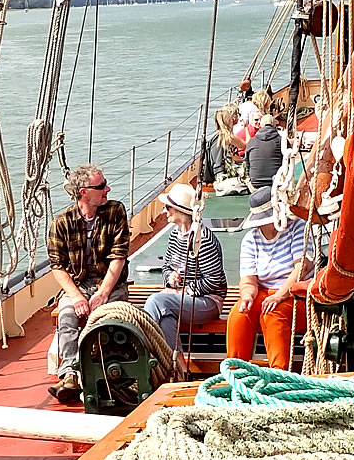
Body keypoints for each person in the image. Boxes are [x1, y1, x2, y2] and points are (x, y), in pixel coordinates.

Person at [46, 164, 130, 403]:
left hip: (111, 285)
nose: (107, 189)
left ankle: (105, 374)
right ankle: (70, 374)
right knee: (67, 318)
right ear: (83, 192)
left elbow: (118, 256)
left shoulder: (115, 211)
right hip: (78, 285)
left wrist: (103, 292)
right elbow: (58, 266)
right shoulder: (62, 223)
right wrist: (76, 297)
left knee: (105, 319)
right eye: (101, 186)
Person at [227, 188, 310, 370]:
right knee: (238, 315)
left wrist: (279, 296)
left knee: (273, 314)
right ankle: (236, 371)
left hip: (295, 294)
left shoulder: (298, 227)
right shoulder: (250, 239)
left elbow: (301, 268)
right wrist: (247, 296)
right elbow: (249, 280)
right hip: (264, 293)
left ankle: (279, 374)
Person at [142, 184, 228, 352]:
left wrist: (184, 291)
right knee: (165, 319)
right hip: (180, 297)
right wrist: (170, 278)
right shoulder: (174, 235)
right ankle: (177, 364)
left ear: (179, 211)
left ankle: (143, 350)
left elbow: (213, 280)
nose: (165, 211)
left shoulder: (203, 239)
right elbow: (166, 266)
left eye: (168, 207)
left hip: (207, 301)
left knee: (155, 301)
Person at [244, 104, 286, 190]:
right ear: (275, 125)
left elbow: (247, 164)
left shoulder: (252, 141)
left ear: (261, 125)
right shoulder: (281, 140)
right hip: (275, 183)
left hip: (255, 183)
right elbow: (286, 161)